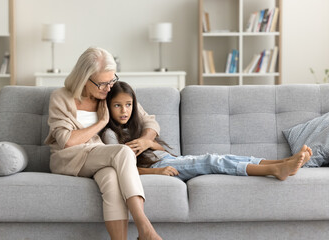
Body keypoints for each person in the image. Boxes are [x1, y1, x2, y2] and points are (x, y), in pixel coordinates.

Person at [45, 47, 162, 240]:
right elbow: (66, 141)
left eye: (111, 80)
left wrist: (145, 139)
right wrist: (101, 122)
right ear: (84, 78)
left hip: (100, 158)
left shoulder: (108, 94)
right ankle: (145, 228)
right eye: (102, 83)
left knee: (111, 179)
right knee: (123, 153)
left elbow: (149, 121)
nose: (108, 88)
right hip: (71, 159)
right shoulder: (62, 97)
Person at [100, 81, 313, 181]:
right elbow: (123, 168)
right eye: (117, 105)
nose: (124, 110)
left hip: (169, 159)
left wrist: (148, 142)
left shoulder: (135, 125)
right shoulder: (111, 135)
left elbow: (156, 145)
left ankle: (281, 163)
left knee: (223, 157)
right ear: (108, 106)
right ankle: (275, 170)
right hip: (162, 166)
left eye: (128, 105)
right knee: (213, 161)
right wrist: (157, 172)